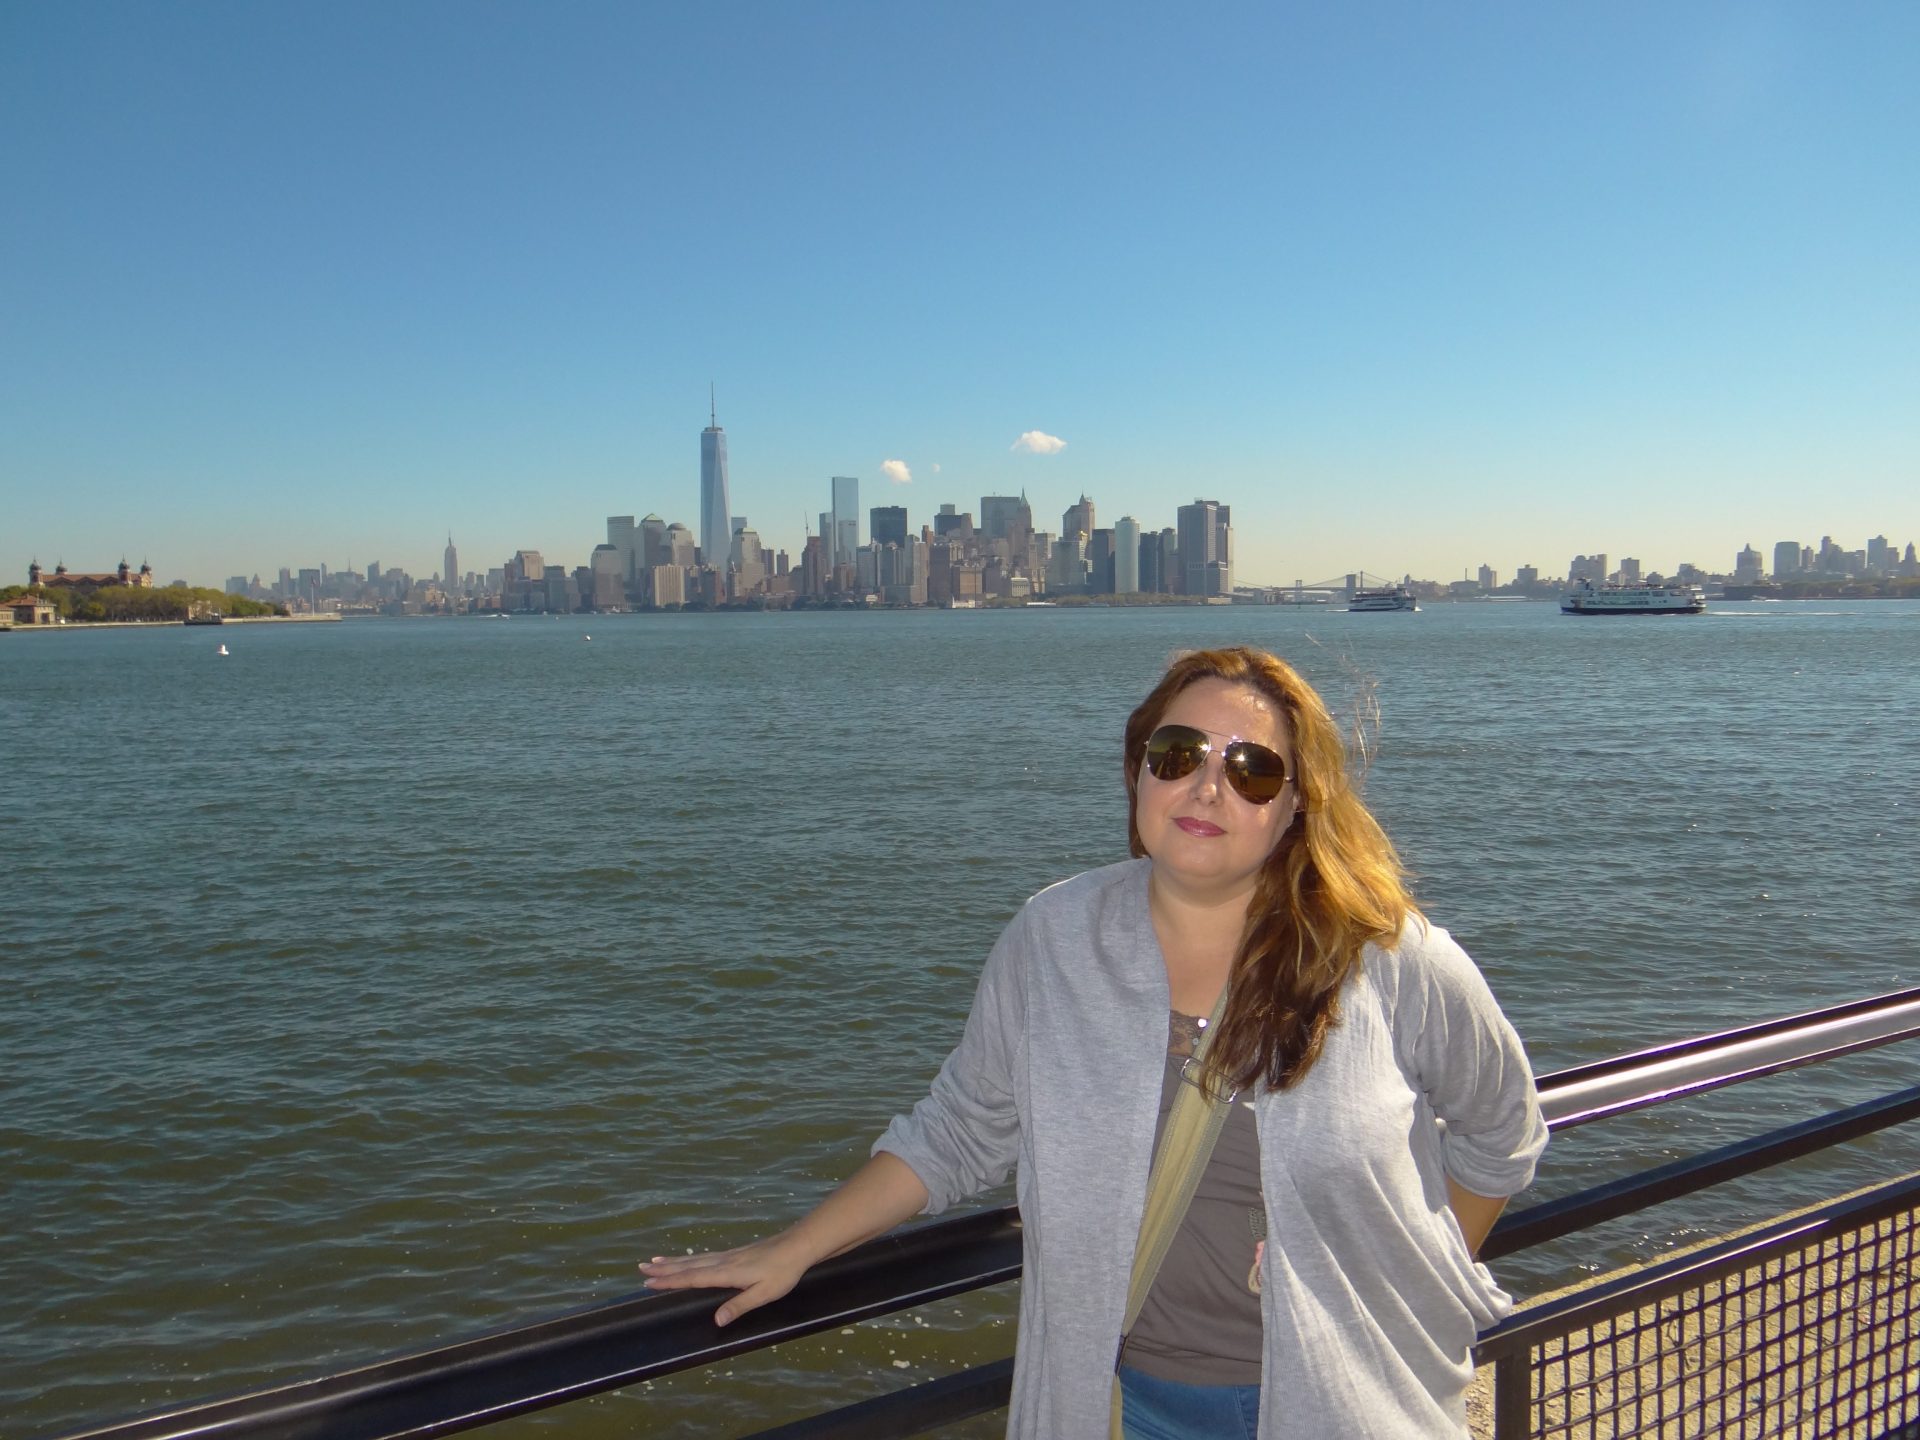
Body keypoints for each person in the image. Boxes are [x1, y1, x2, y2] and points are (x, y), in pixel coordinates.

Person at [641, 645, 1547, 1438]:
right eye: (1178, 754)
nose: (1206, 787)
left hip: (1351, 1405)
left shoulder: (1388, 957)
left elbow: (1502, 1129)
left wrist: (1412, 1273)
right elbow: (961, 1128)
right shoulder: (1054, 938)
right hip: (1121, 1405)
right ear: (1136, 771)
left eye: (1252, 771)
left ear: (1297, 805)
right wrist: (798, 1247)